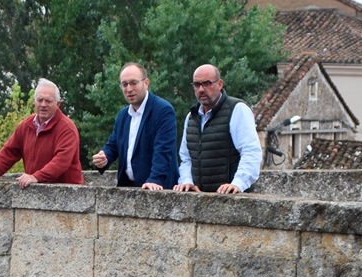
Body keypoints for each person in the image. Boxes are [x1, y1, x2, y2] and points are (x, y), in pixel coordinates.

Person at [0, 78, 83, 189]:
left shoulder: (67, 128)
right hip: (36, 192)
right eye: (40, 100)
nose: (43, 104)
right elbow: (9, 152)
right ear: (34, 101)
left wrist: (37, 177)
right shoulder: (26, 125)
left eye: (48, 101)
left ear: (58, 104)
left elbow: (62, 161)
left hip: (66, 196)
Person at [174, 64, 262, 194]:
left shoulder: (237, 110)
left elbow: (251, 151)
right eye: (197, 85)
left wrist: (238, 183)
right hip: (198, 200)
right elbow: (186, 158)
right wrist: (187, 181)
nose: (201, 89)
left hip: (232, 198)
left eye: (207, 83)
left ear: (220, 84)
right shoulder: (191, 117)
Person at [91, 63, 179, 190]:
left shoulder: (163, 110)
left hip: (158, 189)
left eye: (133, 83)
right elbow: (113, 145)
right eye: (124, 84)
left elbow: (164, 149)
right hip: (128, 189)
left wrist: (155, 179)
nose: (129, 89)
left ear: (146, 83)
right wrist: (103, 158)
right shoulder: (123, 115)